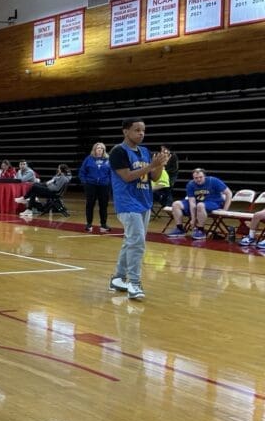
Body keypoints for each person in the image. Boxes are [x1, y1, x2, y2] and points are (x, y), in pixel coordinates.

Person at [108, 119, 170, 301]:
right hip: (127, 203)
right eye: (137, 130)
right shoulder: (118, 151)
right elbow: (127, 177)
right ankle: (134, 283)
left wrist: (160, 164)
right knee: (137, 242)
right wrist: (151, 165)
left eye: (143, 130)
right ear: (125, 132)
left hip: (144, 201)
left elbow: (155, 177)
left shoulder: (145, 151)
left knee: (132, 241)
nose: (141, 133)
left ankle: (118, 278)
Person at [165, 168, 232, 240]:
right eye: (196, 178)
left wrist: (225, 210)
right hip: (198, 202)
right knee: (176, 204)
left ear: (205, 176)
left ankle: (201, 230)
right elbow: (192, 202)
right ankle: (180, 229)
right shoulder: (190, 184)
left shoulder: (213, 181)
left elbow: (229, 193)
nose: (198, 179)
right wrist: (193, 219)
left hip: (214, 202)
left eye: (200, 177)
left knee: (200, 205)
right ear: (193, 178)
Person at [78, 143, 112, 233]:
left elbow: (112, 173)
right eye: (98, 148)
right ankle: (89, 224)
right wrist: (85, 182)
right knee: (90, 205)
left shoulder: (108, 160)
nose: (100, 149)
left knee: (103, 205)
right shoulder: (88, 159)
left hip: (104, 186)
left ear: (104, 150)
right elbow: (82, 171)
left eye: (101, 148)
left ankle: (103, 224)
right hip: (91, 185)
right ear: (94, 150)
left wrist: (109, 182)